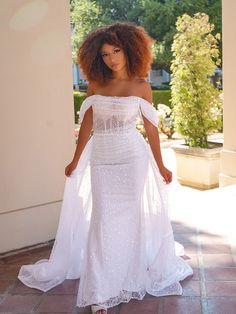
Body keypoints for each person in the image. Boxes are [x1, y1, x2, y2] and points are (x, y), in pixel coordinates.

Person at [18, 22, 193, 314]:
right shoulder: (96, 84)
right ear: (95, 57)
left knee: (129, 220)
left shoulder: (141, 85)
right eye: (104, 54)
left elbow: (151, 131)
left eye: (117, 51)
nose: (111, 59)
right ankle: (99, 291)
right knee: (102, 222)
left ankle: (127, 276)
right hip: (102, 158)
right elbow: (86, 124)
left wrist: (160, 165)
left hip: (132, 159)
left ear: (130, 49)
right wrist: (74, 161)